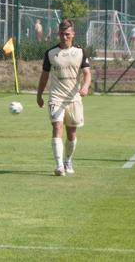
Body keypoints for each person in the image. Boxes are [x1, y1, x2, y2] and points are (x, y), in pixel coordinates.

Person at [36, 19, 91, 176]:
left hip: (73, 98)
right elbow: (44, 75)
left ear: (73, 34)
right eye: (61, 34)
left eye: (67, 34)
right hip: (56, 96)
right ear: (57, 34)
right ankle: (59, 165)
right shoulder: (51, 53)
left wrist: (85, 86)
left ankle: (67, 160)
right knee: (57, 127)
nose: (64, 37)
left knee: (72, 134)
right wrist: (39, 95)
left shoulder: (80, 52)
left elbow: (87, 73)